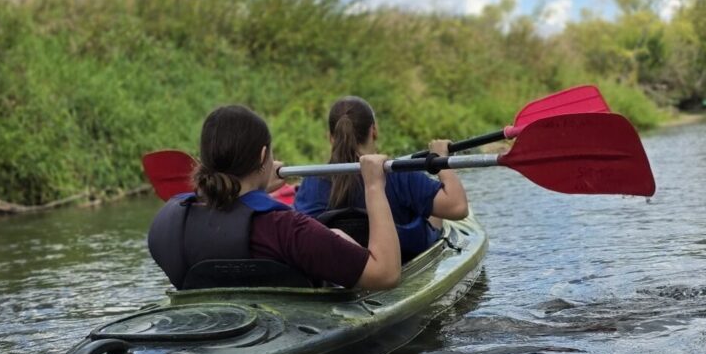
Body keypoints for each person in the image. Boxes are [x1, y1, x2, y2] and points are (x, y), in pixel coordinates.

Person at [148, 105, 400, 290]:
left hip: (205, 330)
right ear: (262, 156)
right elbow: (385, 274)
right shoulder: (287, 229)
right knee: (338, 236)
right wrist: (374, 186)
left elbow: (227, 213)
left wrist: (257, 188)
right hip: (292, 335)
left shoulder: (168, 221)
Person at [293, 96, 469, 259]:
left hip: (339, 266)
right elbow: (458, 207)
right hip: (399, 259)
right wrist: (439, 160)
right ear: (374, 131)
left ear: (331, 138)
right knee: (434, 215)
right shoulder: (399, 175)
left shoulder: (311, 181)